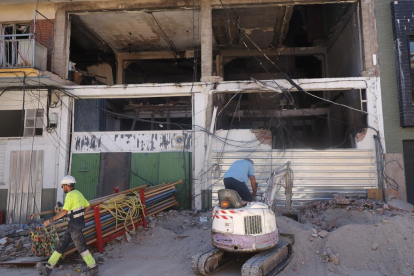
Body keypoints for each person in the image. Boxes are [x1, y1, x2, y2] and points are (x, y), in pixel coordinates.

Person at [39, 175, 98, 276]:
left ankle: (93, 268)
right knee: (61, 246)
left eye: (63, 186)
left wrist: (49, 220)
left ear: (67, 185)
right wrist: (81, 215)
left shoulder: (70, 195)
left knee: (81, 247)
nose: (62, 188)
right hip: (75, 224)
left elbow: (64, 211)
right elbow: (88, 205)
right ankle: (48, 268)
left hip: (74, 226)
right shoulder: (78, 193)